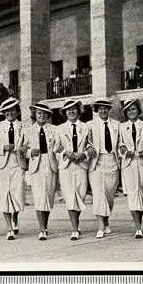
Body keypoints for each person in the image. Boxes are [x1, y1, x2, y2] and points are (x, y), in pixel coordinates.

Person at [0, 97, 27, 240]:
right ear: (4, 112)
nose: (10, 113)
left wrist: (23, 148)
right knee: (4, 195)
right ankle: (9, 228)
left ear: (17, 112)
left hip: (18, 164)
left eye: (13, 110)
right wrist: (3, 147)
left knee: (17, 194)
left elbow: (28, 143)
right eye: (7, 111)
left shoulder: (23, 126)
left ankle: (15, 217)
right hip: (1, 166)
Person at [118, 99, 143, 239]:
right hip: (129, 164)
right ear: (125, 113)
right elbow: (119, 144)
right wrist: (123, 151)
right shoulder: (121, 127)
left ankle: (139, 220)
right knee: (133, 195)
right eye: (128, 110)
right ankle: (138, 227)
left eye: (133, 109)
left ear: (138, 111)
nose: (131, 112)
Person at [56, 100, 91, 240]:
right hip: (66, 166)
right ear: (65, 113)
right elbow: (55, 147)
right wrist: (66, 153)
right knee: (70, 197)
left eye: (74, 109)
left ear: (78, 110)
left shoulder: (86, 127)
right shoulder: (59, 129)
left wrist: (84, 154)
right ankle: (75, 229)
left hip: (81, 165)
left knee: (80, 195)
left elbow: (91, 145)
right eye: (68, 110)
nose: (71, 112)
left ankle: (76, 222)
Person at [24, 102, 59, 240]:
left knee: (48, 197)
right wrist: (30, 152)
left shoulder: (54, 129)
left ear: (48, 115)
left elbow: (58, 146)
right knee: (39, 197)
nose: (42, 116)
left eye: (44, 114)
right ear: (35, 115)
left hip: (50, 164)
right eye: (39, 113)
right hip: (36, 165)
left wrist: (57, 150)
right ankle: (42, 229)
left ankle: (45, 224)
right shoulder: (28, 130)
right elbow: (22, 149)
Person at [86, 98, 120, 238]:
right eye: (100, 108)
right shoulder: (90, 125)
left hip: (112, 160)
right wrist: (89, 147)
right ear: (96, 110)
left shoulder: (116, 124)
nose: (103, 110)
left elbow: (121, 142)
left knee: (109, 195)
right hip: (97, 162)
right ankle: (100, 226)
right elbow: (86, 141)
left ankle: (106, 221)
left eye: (105, 108)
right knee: (99, 194)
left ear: (109, 109)